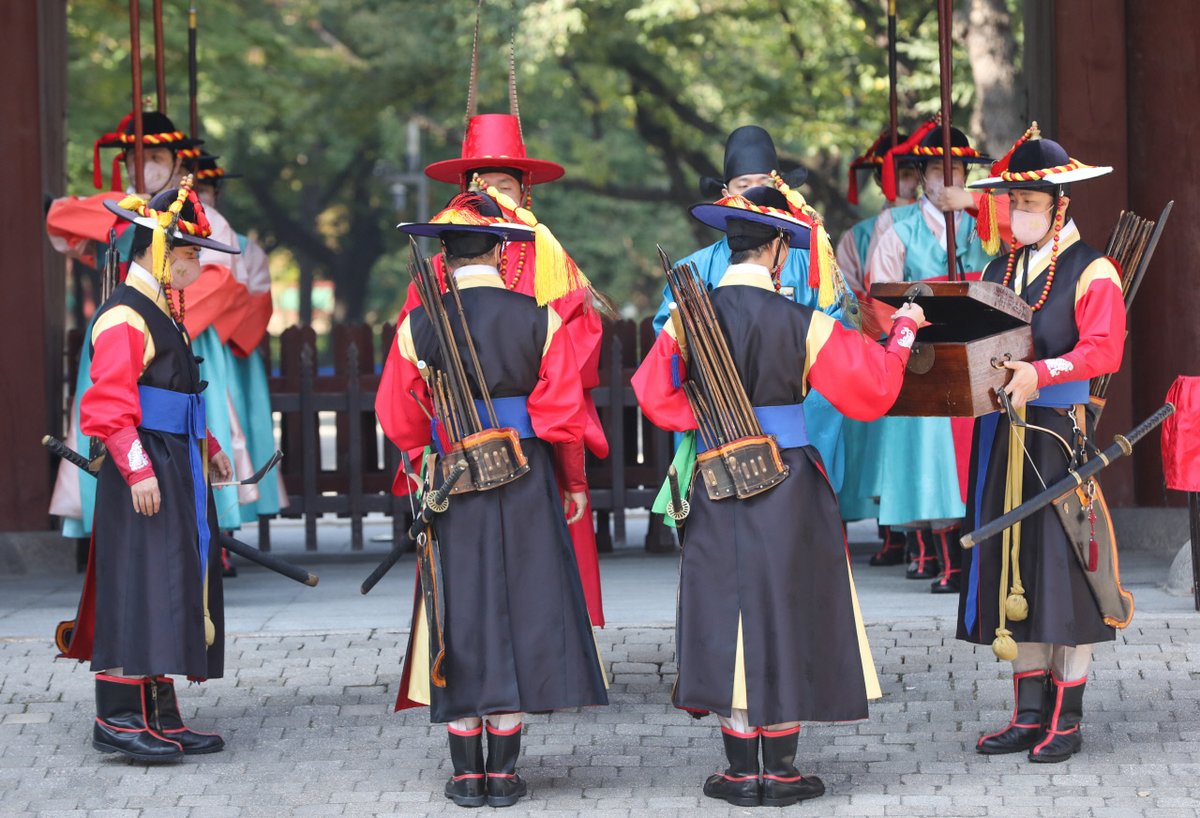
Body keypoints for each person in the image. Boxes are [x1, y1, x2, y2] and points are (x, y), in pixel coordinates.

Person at [633, 186, 925, 807]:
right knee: (790, 608)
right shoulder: (805, 322)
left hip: (717, 472)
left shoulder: (688, 317)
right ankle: (784, 771)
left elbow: (654, 396)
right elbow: (873, 390)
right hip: (790, 479)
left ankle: (741, 771)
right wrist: (903, 331)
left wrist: (710, 421)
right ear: (776, 251)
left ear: (730, 246)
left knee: (725, 607)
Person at [377, 193, 608, 808]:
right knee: (523, 602)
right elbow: (563, 415)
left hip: (452, 475)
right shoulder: (540, 318)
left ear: (444, 259)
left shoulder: (417, 323)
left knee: (461, 606)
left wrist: (426, 459)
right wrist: (573, 482)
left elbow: (398, 414)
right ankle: (503, 774)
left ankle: (465, 774)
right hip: (526, 472)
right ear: (502, 253)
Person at [399, 111, 609, 626]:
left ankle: (555, 642)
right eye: (481, 185)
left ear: (525, 192)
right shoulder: (435, 270)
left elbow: (581, 341)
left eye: (505, 185)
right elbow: (411, 360)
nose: (494, 194)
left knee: (538, 554)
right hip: (458, 436)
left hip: (534, 428)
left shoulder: (551, 260)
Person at [58, 179, 241, 761]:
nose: (196, 265)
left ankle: (160, 715)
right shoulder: (124, 315)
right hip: (146, 464)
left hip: (174, 456)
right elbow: (109, 405)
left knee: (167, 580)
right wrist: (137, 470)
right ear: (159, 251)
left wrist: (208, 443)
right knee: (139, 581)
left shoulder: (160, 307)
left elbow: (173, 390)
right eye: (189, 254)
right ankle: (117, 717)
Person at [958, 126, 1124, 763]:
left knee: (1064, 572)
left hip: (1057, 436)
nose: (1016, 213)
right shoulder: (995, 268)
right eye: (1012, 202)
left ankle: (1067, 718)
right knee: (1014, 568)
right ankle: (1028, 714)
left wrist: (1042, 372)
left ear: (1060, 205)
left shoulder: (1093, 268)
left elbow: (1103, 350)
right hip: (1001, 435)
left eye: (1028, 203)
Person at [650, 125, 853, 494]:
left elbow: (842, 328)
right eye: (744, 185)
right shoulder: (694, 268)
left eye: (765, 183)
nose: (755, 194)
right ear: (726, 194)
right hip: (720, 414)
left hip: (796, 408)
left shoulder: (813, 263)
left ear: (780, 190)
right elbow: (671, 345)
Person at [46, 110, 201, 543]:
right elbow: (59, 221)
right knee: (109, 416)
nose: (144, 165)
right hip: (122, 328)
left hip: (169, 332)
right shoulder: (119, 206)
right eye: (135, 157)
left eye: (156, 157)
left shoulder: (185, 213)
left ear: (177, 161)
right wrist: (129, 210)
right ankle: (101, 523)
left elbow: (214, 284)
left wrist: (168, 328)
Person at [866, 124, 997, 592]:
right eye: (938, 170)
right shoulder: (899, 229)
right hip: (923, 352)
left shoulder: (986, 224)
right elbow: (880, 300)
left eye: (957, 169)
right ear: (922, 176)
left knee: (974, 455)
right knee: (929, 459)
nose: (948, 178)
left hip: (976, 353)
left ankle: (976, 555)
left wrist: (974, 205)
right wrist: (904, 336)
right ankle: (939, 556)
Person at [835, 128, 921, 565]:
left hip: (916, 335)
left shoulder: (943, 224)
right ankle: (888, 533)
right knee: (869, 438)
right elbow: (847, 294)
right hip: (873, 338)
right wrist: (877, 331)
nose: (909, 181)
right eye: (900, 173)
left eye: (913, 172)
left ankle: (918, 535)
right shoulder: (859, 235)